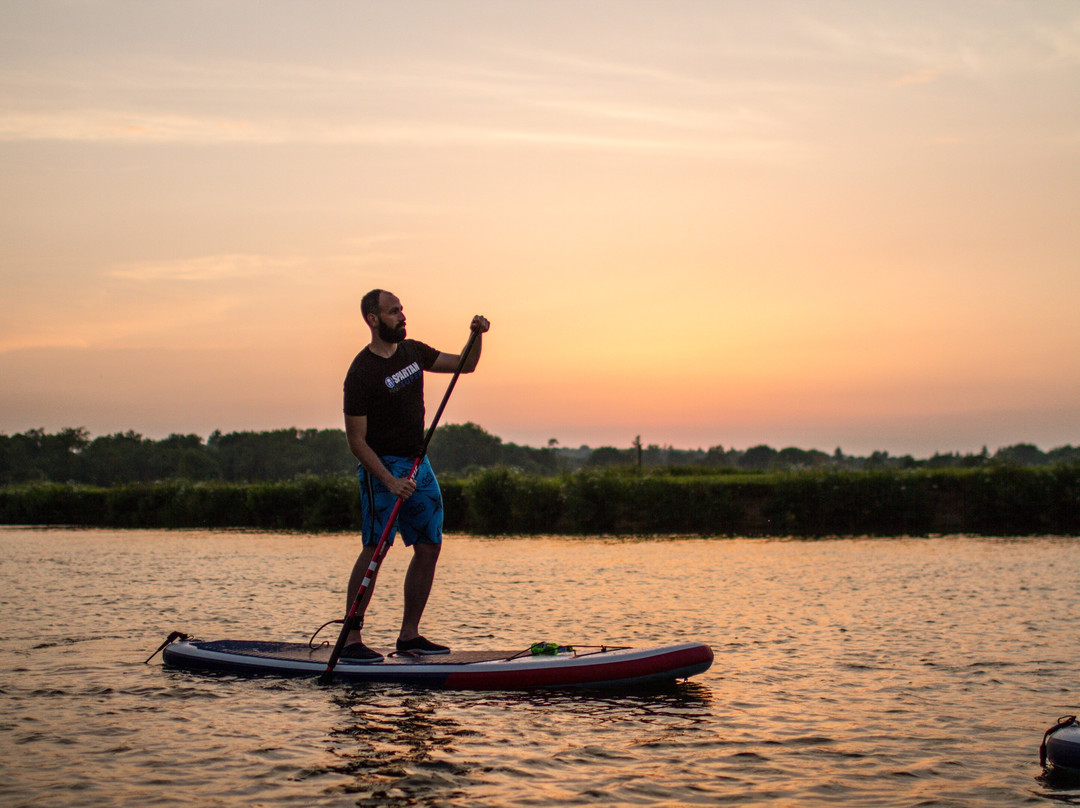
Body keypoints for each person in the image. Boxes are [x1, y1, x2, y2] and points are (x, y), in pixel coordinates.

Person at [340, 289, 489, 662]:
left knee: (429, 546)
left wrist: (477, 335)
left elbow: (465, 365)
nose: (402, 316)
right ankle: (351, 638)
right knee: (377, 547)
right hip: (381, 467)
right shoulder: (361, 373)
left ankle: (409, 636)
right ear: (373, 320)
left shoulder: (413, 352)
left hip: (417, 464)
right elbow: (357, 442)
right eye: (394, 312)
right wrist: (388, 481)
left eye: (402, 310)